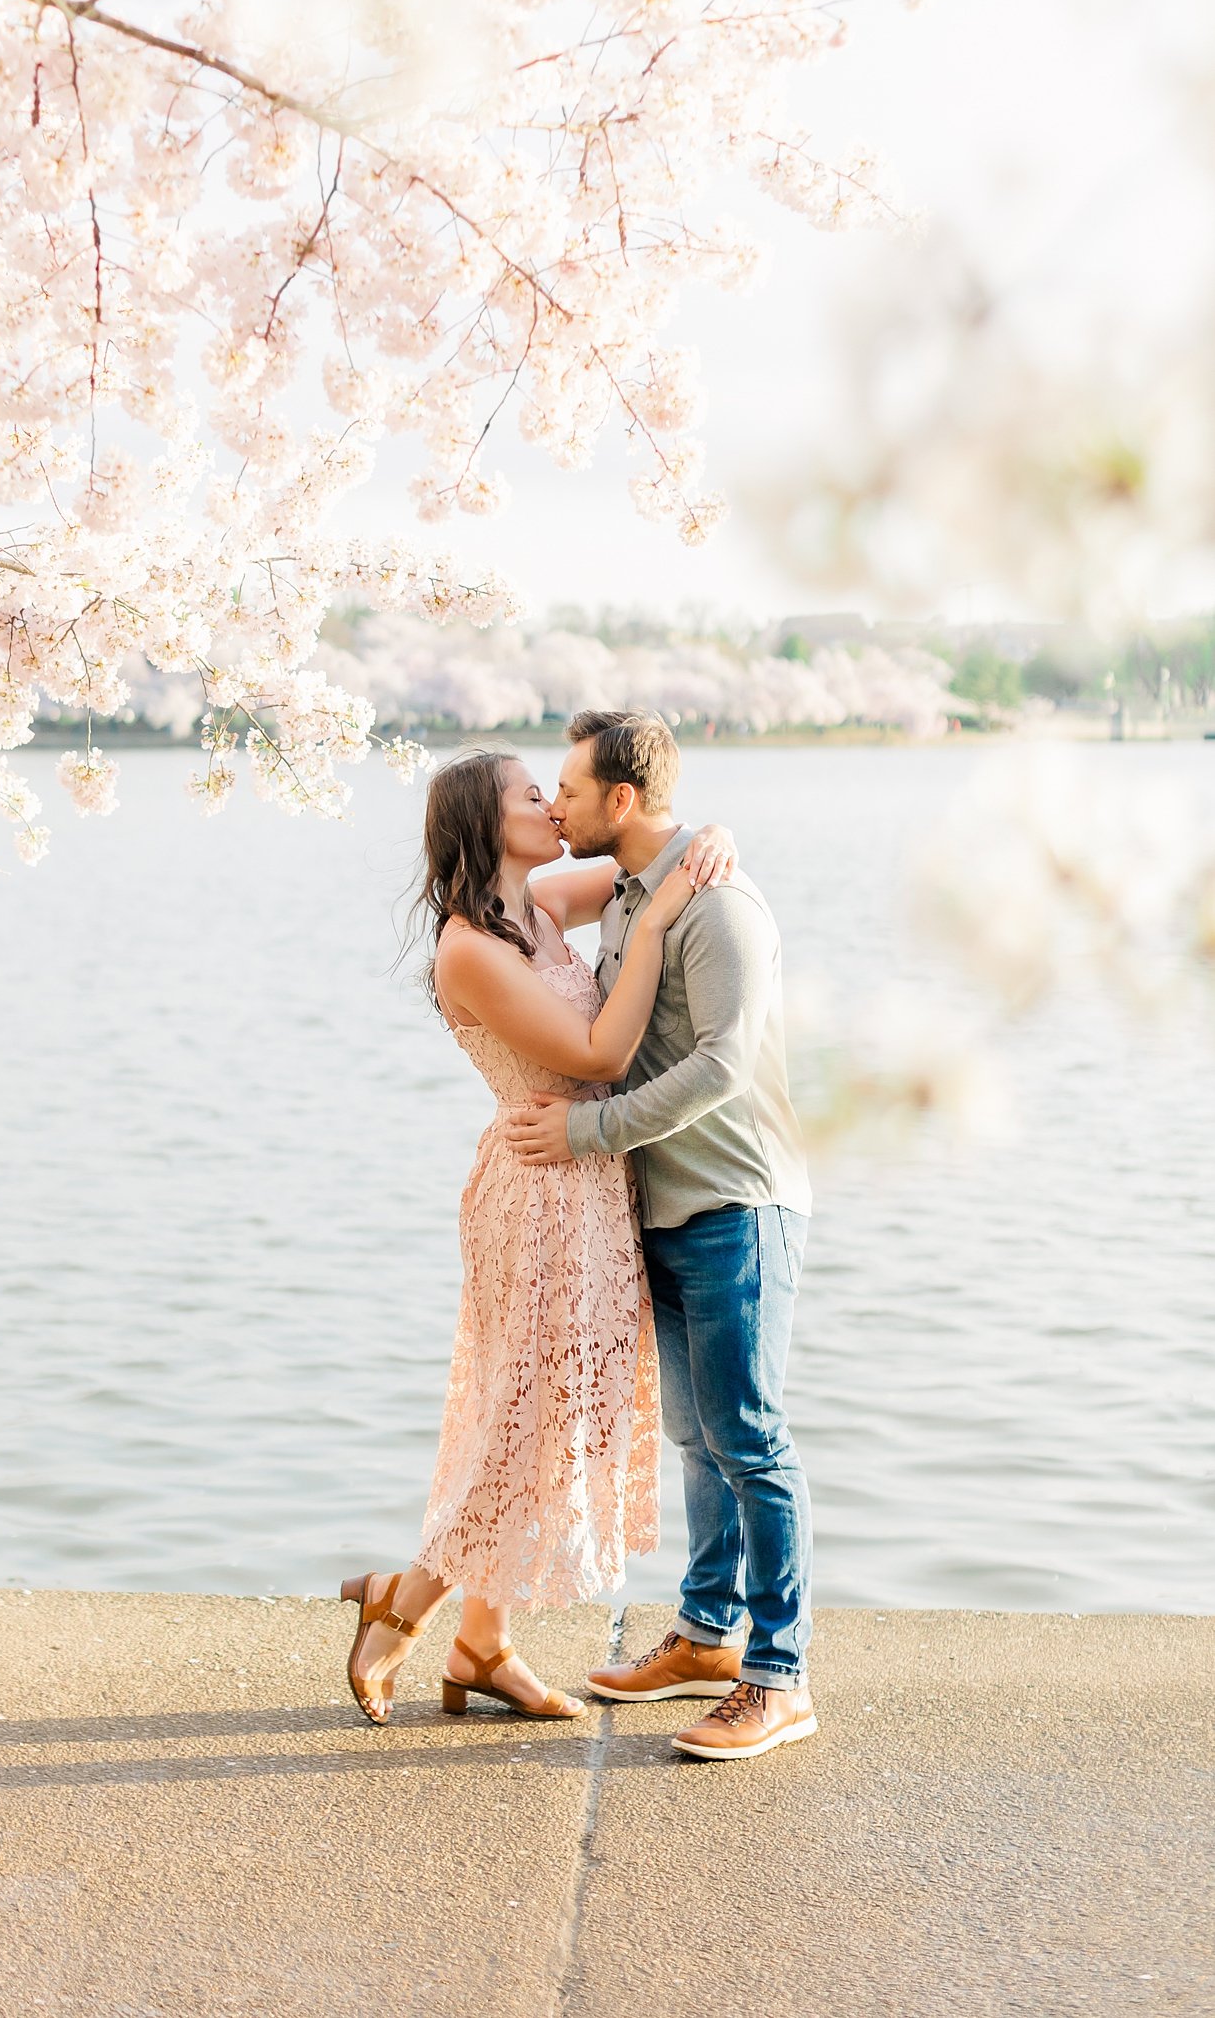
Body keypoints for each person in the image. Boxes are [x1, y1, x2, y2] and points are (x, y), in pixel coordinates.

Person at [339, 749, 737, 1726]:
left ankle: (483, 1646)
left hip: (592, 1187)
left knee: (553, 1418)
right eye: (533, 796)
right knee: (524, 1419)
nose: (554, 806)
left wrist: (716, 839)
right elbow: (599, 1053)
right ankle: (405, 1602)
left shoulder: (542, 904)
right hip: (537, 1196)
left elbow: (654, 857)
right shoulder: (471, 948)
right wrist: (649, 926)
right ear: (488, 822)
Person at [507, 709, 816, 1763]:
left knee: (751, 1439)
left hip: (737, 1204)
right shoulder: (634, 895)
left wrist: (588, 1133)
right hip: (667, 1210)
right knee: (697, 1440)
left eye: (573, 791)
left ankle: (781, 1679)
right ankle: (705, 1634)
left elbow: (727, 1064)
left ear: (624, 801)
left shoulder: (718, 904)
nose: (558, 805)